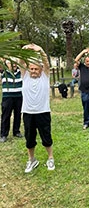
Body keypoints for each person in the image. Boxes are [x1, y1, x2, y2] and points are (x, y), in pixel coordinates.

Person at [18, 43, 55, 173]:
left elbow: (46, 63)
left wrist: (41, 50)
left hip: (43, 112)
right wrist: (24, 50)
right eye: (31, 69)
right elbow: (21, 61)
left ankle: (50, 158)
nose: (33, 71)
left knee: (46, 137)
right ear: (28, 70)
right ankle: (32, 160)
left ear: (40, 70)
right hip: (28, 112)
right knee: (29, 138)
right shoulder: (25, 77)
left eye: (36, 69)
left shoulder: (45, 77)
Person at [1, 60, 23, 142]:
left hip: (19, 96)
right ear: (6, 64)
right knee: (6, 115)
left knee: (18, 114)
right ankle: (3, 134)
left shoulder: (20, 72)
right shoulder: (3, 72)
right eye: (11, 62)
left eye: (15, 62)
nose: (14, 64)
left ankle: (16, 131)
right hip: (7, 97)